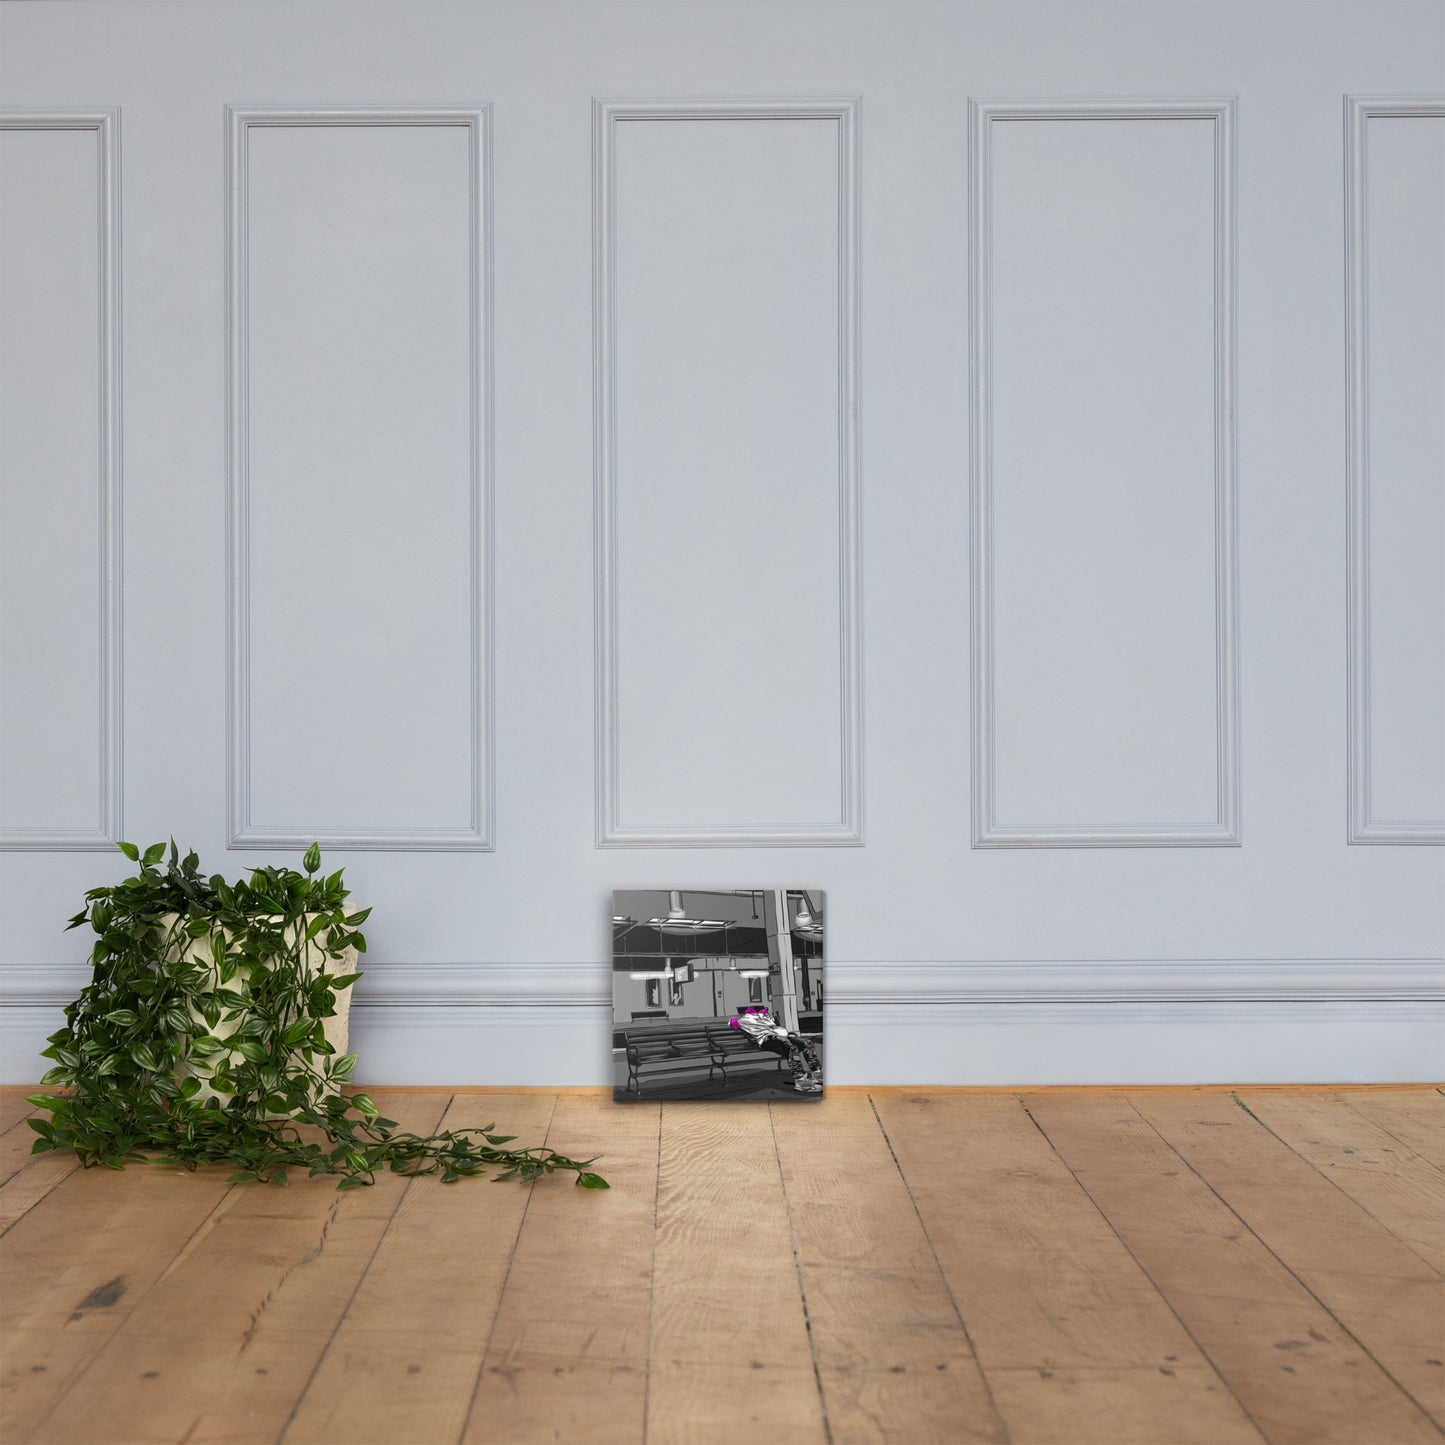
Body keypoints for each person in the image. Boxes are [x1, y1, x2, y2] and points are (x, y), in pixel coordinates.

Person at [728, 1006, 822, 1094]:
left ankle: (817, 1074)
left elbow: (775, 1025)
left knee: (807, 1043)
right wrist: (734, 1022)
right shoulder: (744, 1020)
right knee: (791, 1048)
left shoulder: (766, 1017)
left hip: (782, 1036)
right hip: (767, 1039)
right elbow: (733, 1024)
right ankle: (801, 1081)